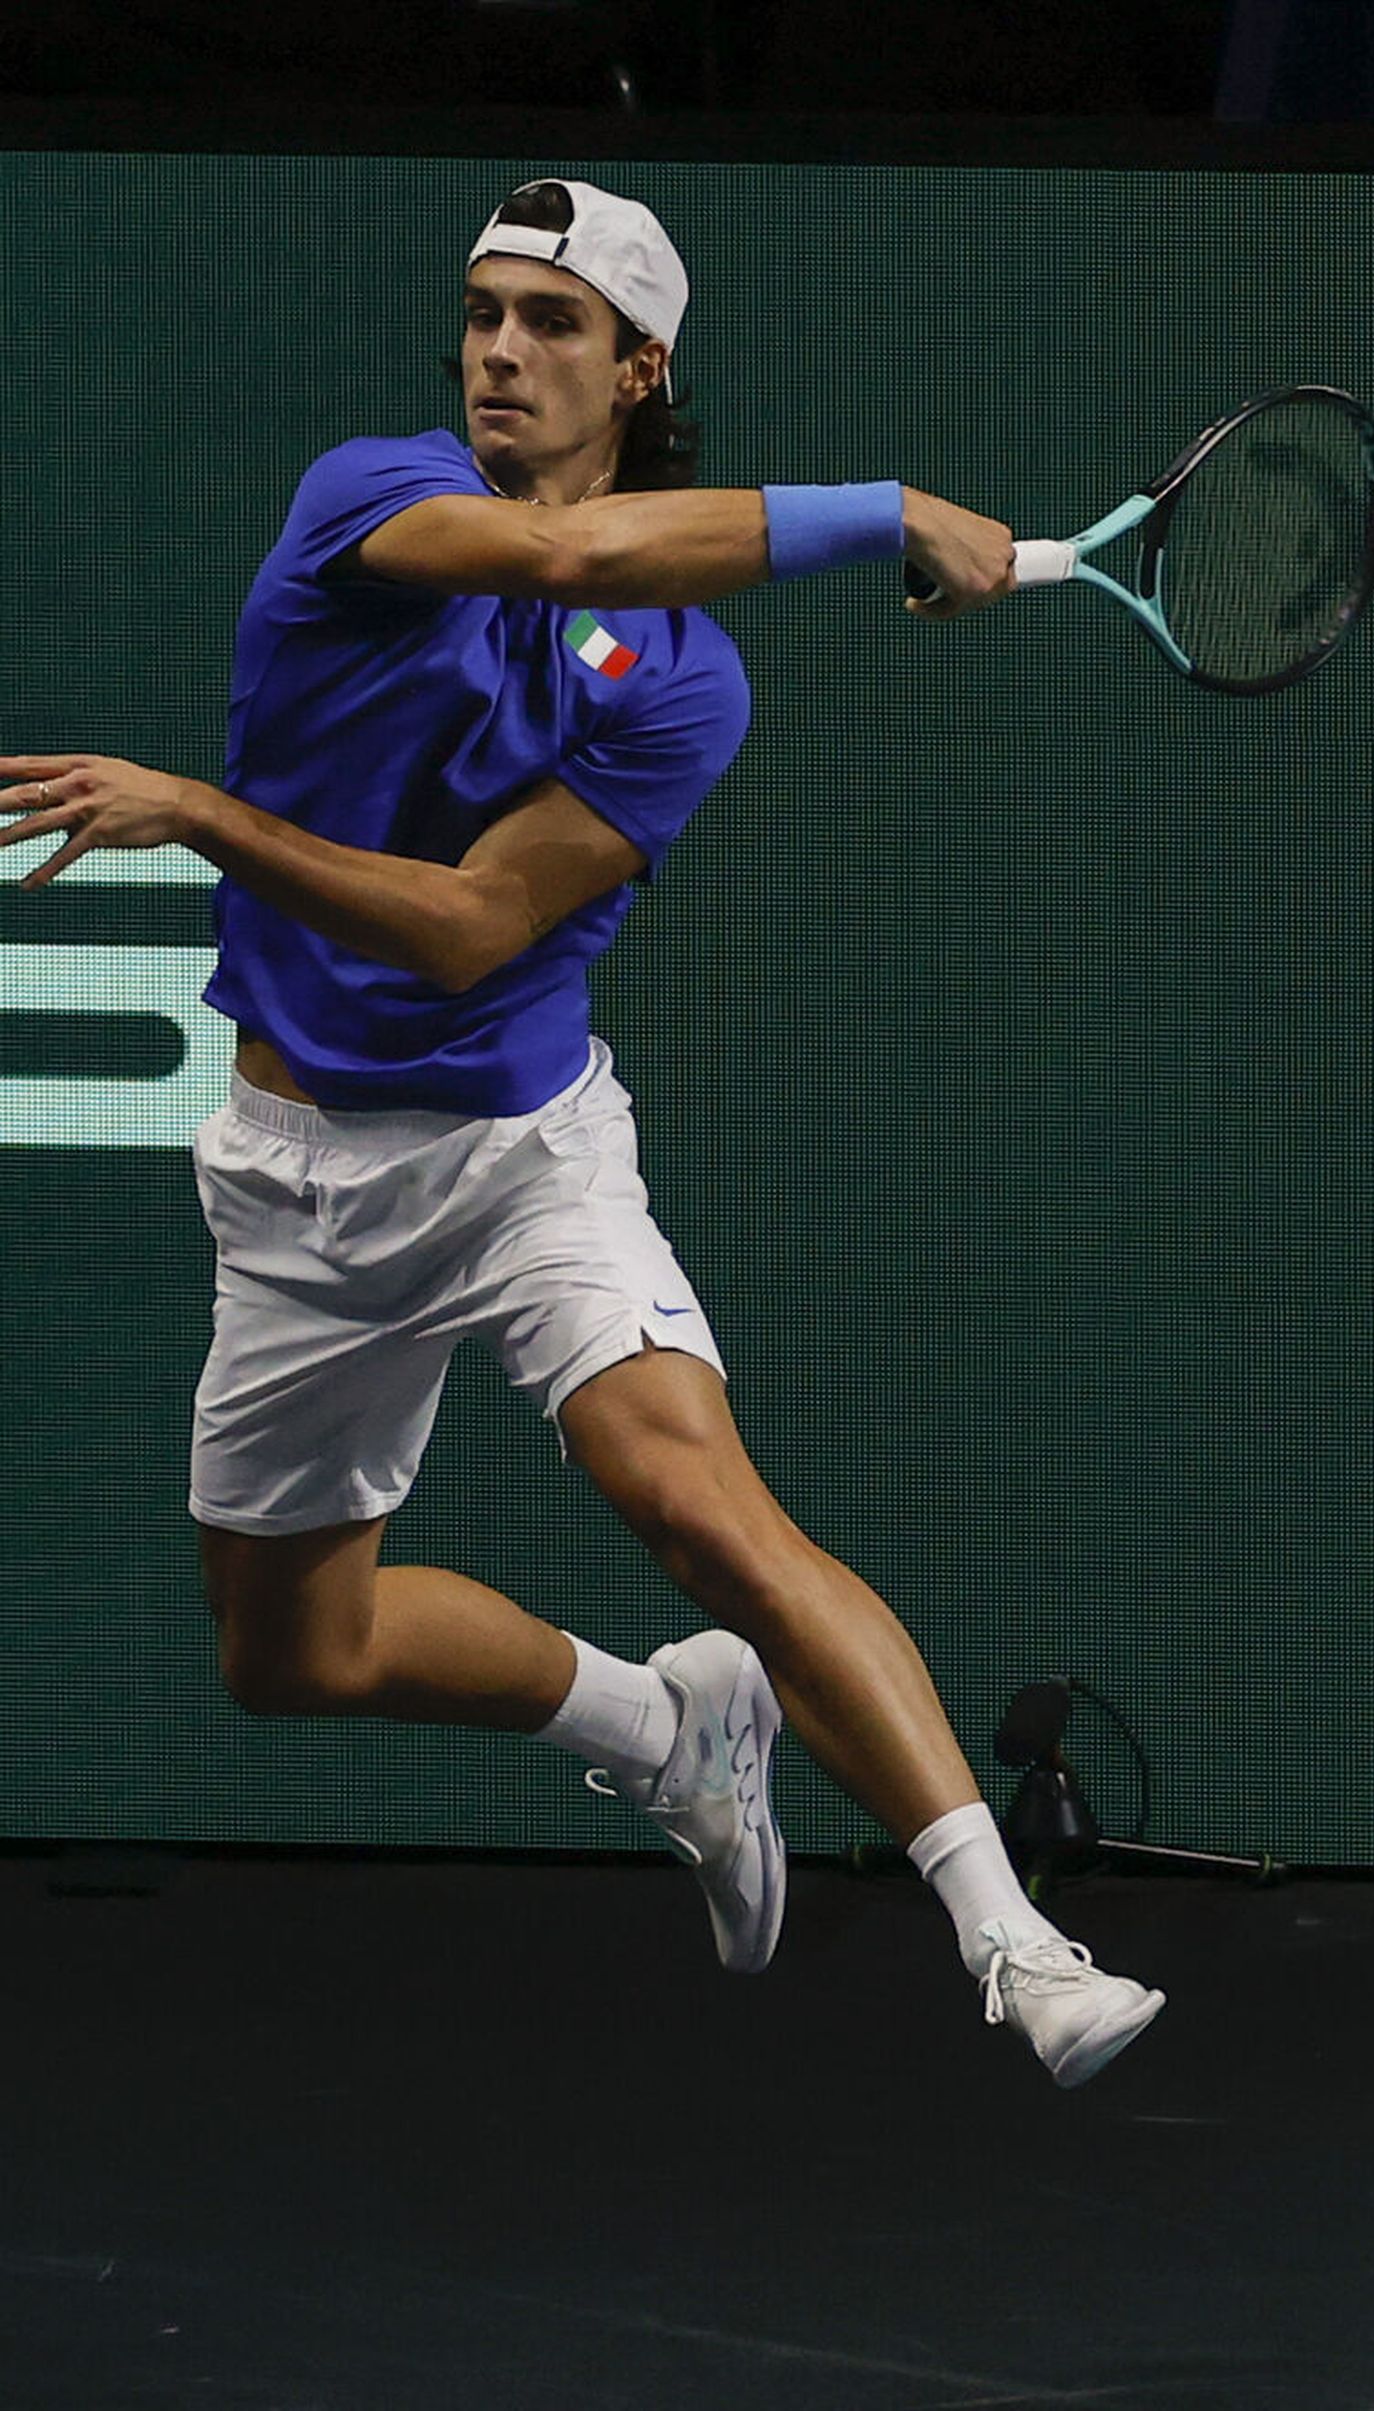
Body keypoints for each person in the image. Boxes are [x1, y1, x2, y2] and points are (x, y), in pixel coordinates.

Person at [0, 176, 1163, 2087]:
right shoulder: (369, 498)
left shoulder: (687, 685)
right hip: (292, 1175)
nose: (499, 350)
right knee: (293, 1658)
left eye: (552, 322)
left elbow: (471, 928)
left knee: (697, 1503)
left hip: (519, 1159)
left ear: (640, 371)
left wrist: (204, 816)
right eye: (483, 312)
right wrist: (886, 512)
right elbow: (551, 560)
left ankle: (1013, 1940)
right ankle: (660, 1730)